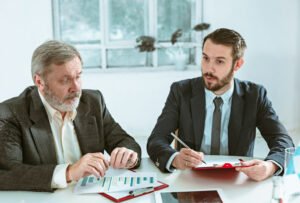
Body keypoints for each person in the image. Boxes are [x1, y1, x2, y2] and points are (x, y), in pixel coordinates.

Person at [147, 28, 294, 181]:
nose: (209, 68)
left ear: (237, 65)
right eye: (205, 58)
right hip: (190, 180)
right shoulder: (181, 91)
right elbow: (156, 140)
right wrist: (175, 158)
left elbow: (283, 140)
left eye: (219, 61)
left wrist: (270, 166)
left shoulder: (255, 95)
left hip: (237, 180)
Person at [0, 40, 141, 192]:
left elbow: (124, 141)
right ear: (40, 82)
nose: (76, 88)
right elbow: (7, 173)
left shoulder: (93, 102)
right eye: (65, 80)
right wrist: (69, 172)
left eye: (78, 76)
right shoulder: (11, 113)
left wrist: (128, 154)